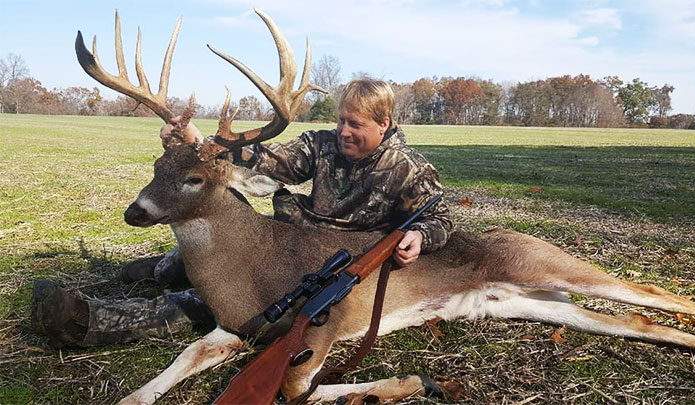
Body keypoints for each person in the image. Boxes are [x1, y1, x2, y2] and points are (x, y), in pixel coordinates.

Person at [32, 79, 453, 348]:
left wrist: (419, 237)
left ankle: (103, 320)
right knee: (219, 211)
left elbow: (440, 219)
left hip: (328, 265)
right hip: (290, 242)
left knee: (233, 302)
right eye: (342, 120)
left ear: (383, 123)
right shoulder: (321, 144)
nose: (344, 131)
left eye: (356, 124)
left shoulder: (408, 168)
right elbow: (263, 161)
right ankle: (160, 269)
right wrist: (195, 140)